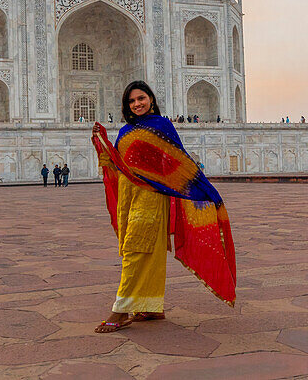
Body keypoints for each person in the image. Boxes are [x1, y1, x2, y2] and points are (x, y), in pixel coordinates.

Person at [91, 80, 236, 334]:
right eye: (132, 101)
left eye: (141, 99)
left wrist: (203, 190)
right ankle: (151, 305)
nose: (137, 104)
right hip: (128, 197)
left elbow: (178, 162)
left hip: (151, 198)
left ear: (151, 99)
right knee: (145, 249)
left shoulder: (162, 126)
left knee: (137, 248)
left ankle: (121, 309)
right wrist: (102, 144)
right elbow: (118, 165)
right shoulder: (125, 131)